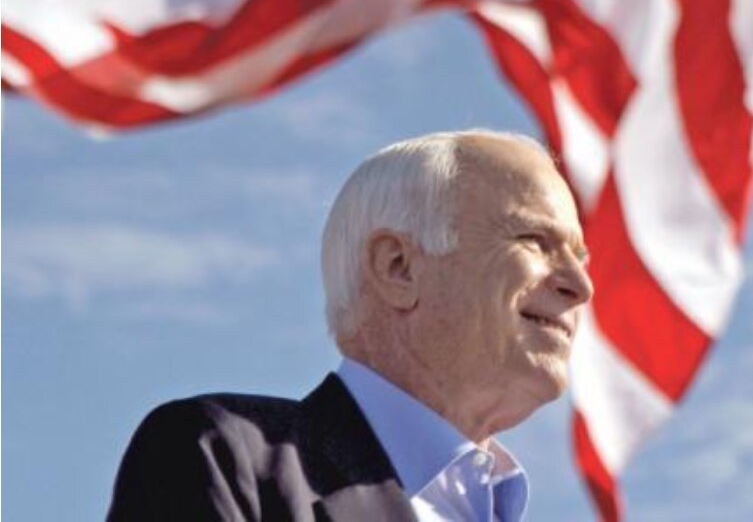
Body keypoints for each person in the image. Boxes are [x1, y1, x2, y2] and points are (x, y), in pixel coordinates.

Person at [107, 130, 594, 522]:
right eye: (535, 240)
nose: (581, 286)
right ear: (398, 267)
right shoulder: (224, 457)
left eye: (579, 256)